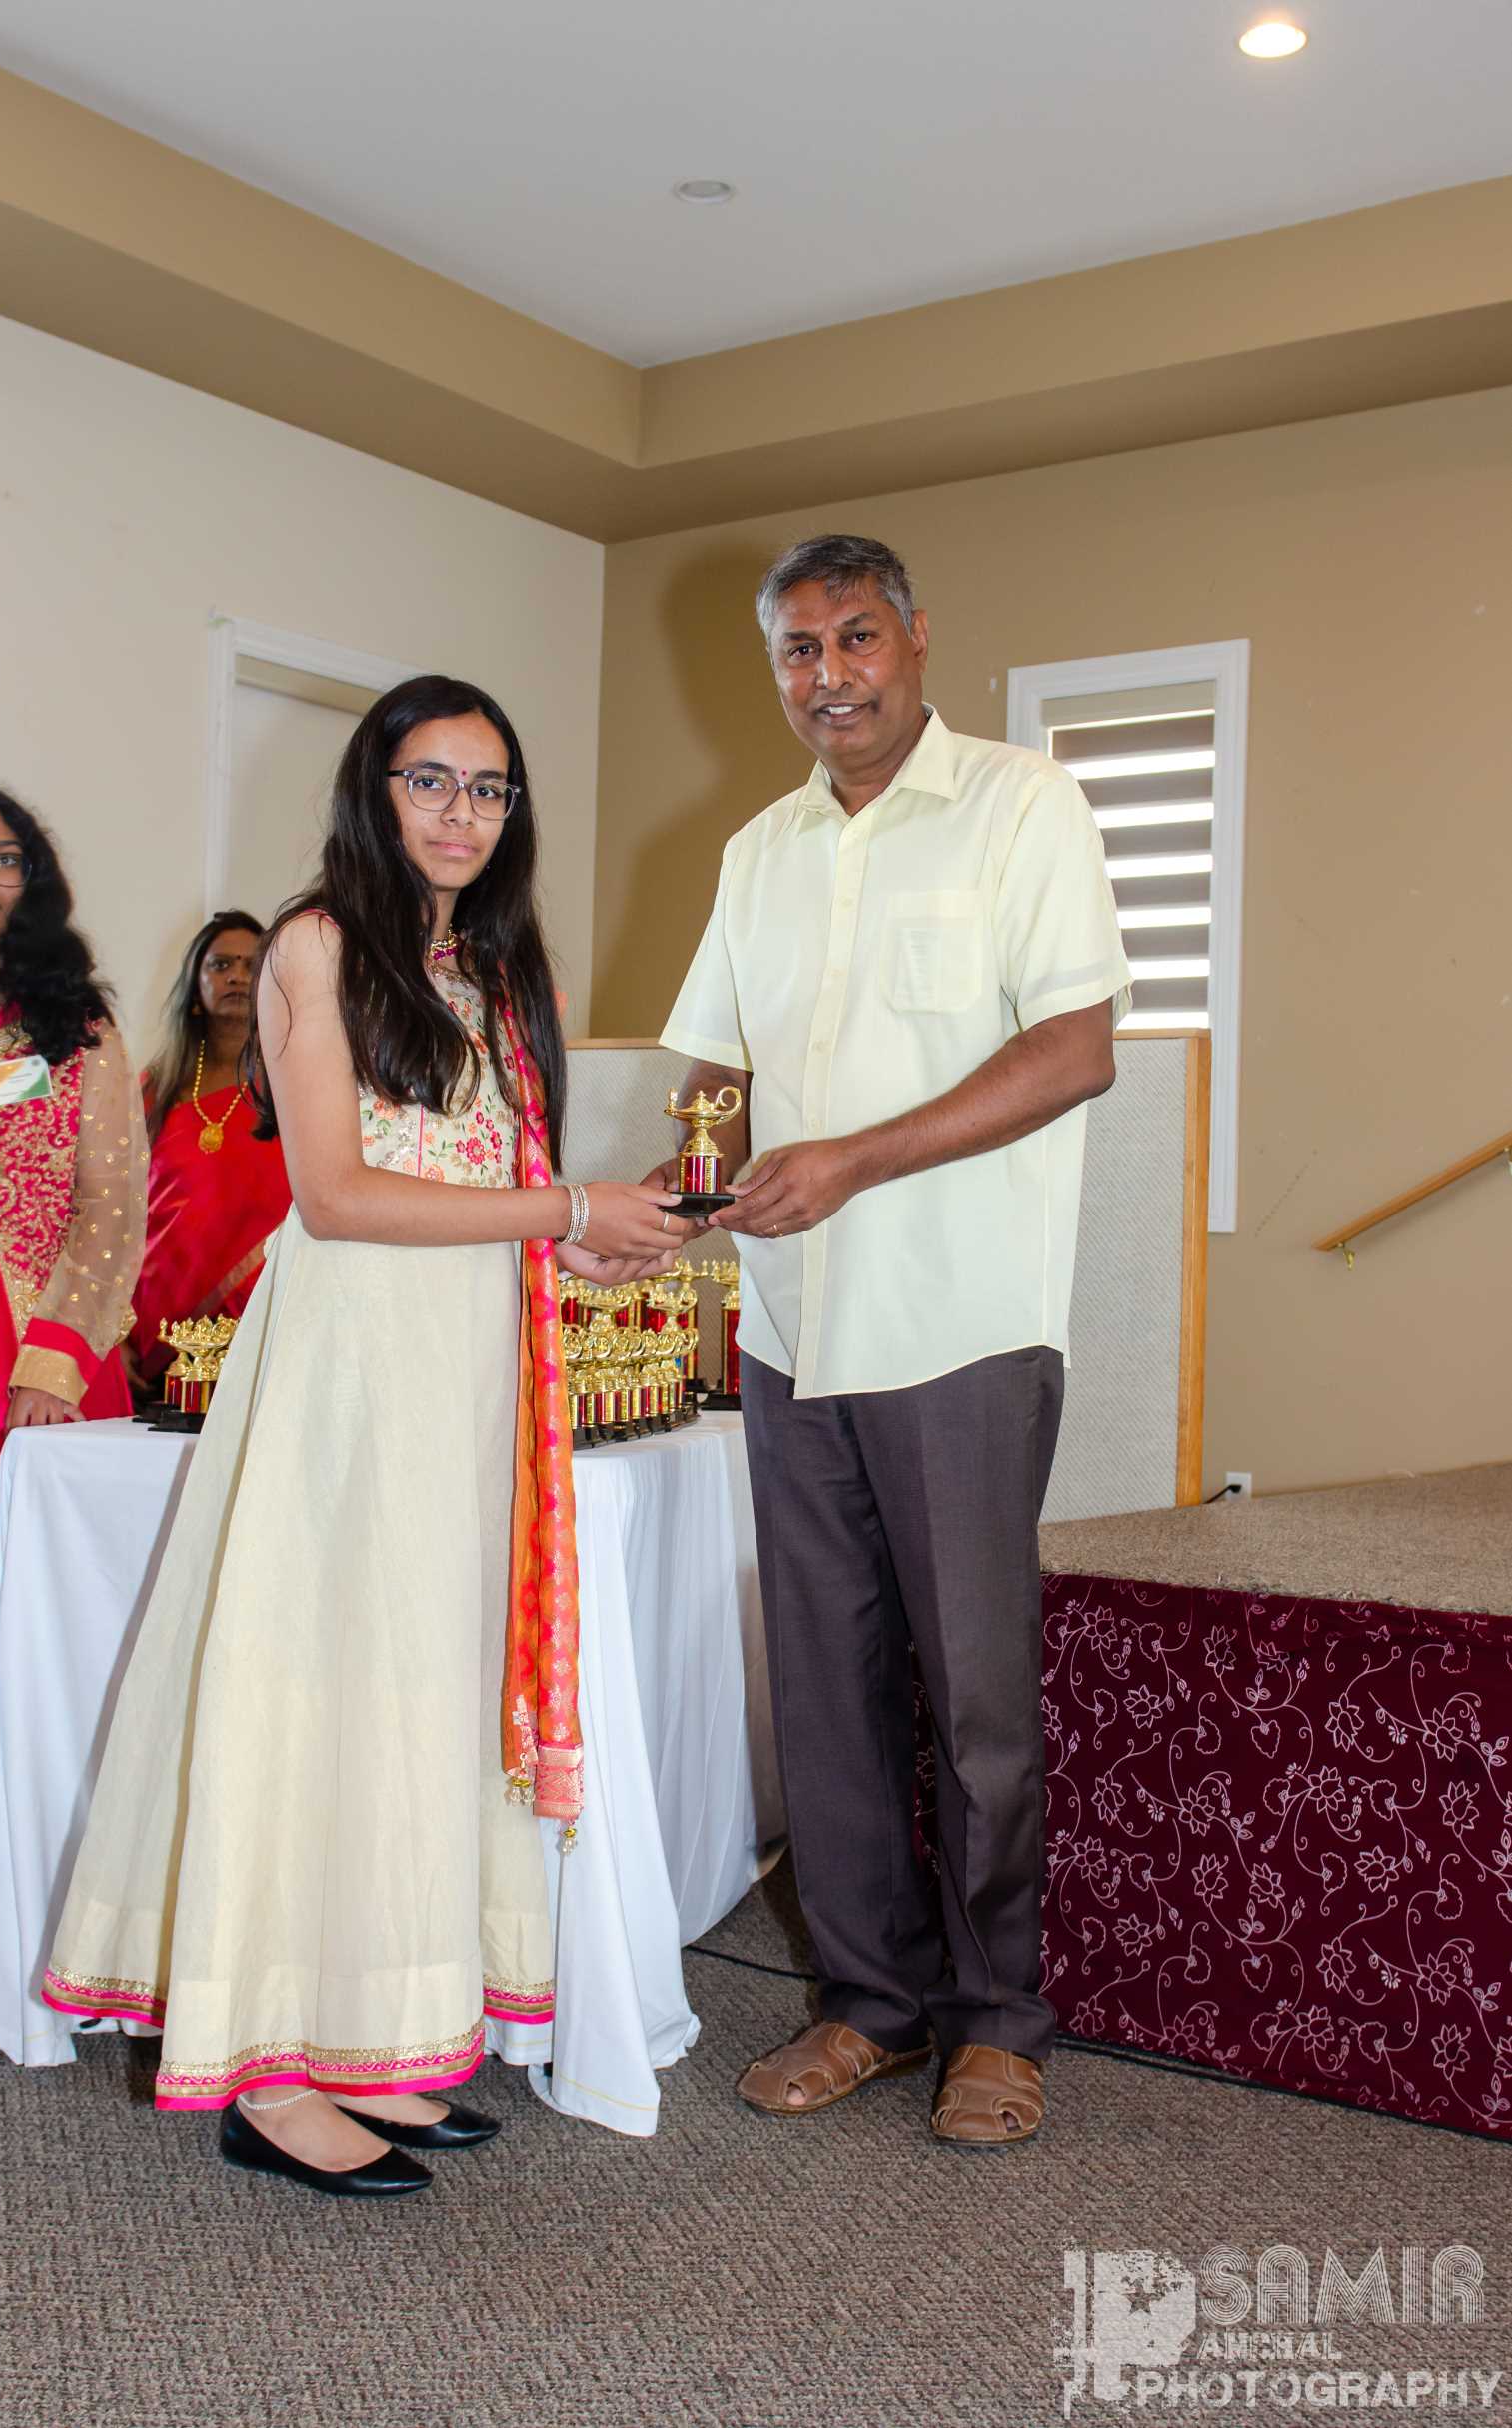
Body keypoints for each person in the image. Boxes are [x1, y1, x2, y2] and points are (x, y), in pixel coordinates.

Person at [44, 674, 685, 2198]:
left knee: (417, 1700)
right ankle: (268, 2073)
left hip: (469, 1372)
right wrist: (565, 1206)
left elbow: (485, 1182)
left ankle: (368, 2034)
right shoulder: (317, 943)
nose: (462, 812)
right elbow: (334, 1193)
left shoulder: (494, 963)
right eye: (429, 780)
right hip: (353, 1374)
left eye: (489, 786)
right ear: (371, 790)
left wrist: (589, 1244)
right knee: (318, 1690)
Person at [657, 536, 1131, 2147]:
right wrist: (679, 1189)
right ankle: (868, 2000)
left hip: (962, 1326)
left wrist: (853, 1158)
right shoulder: (759, 848)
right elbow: (714, 1070)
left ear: (918, 638)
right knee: (826, 1689)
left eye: (856, 637)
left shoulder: (1022, 804)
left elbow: (1074, 1049)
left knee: (975, 1694)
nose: (830, 674)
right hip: (792, 1330)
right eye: (799, 649)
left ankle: (998, 2022)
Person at [0, 783, 146, 1950]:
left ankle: (40, 1853)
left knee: (45, 1610)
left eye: (5, 859)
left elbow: (114, 1204)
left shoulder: (74, 1028)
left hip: (48, 1365)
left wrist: (56, 1360)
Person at [131, 910, 291, 1390]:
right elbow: (114, 1212)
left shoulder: (294, 1085)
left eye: (251, 964)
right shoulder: (154, 1089)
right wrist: (113, 1332)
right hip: (157, 1329)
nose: (237, 976)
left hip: (266, 1322)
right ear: (194, 983)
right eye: (221, 964)